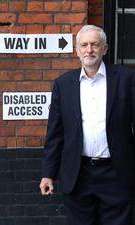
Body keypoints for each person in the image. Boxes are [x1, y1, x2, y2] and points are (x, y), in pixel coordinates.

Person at [39, 24, 135, 225]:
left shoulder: (126, 79)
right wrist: (48, 174)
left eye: (94, 44)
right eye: (84, 45)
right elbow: (55, 134)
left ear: (105, 49)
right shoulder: (63, 84)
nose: (89, 50)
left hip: (116, 173)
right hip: (78, 174)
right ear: (77, 50)